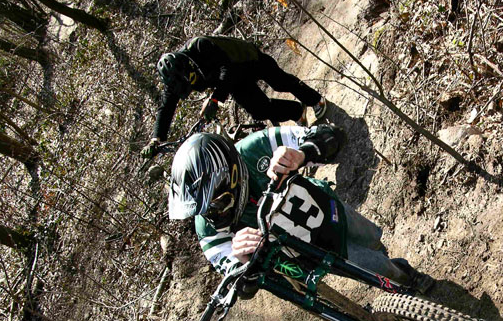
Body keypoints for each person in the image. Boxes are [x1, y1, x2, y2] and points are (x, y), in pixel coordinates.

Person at [167, 124, 435, 294]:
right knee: (378, 268)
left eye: (215, 202)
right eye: (201, 209)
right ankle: (405, 280)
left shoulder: (256, 147)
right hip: (308, 253)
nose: (211, 214)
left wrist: (302, 153)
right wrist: (241, 260)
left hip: (328, 209)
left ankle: (396, 270)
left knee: (374, 242)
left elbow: (332, 134)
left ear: (232, 175)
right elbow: (241, 287)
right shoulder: (206, 229)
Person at [142, 35, 327, 158]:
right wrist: (156, 139)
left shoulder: (199, 46)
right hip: (234, 82)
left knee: (281, 83)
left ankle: (315, 100)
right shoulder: (173, 80)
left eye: (190, 80)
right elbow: (165, 108)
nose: (191, 85)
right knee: (259, 110)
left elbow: (227, 67)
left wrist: (215, 99)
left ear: (186, 66)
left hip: (247, 60)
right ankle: (296, 112)